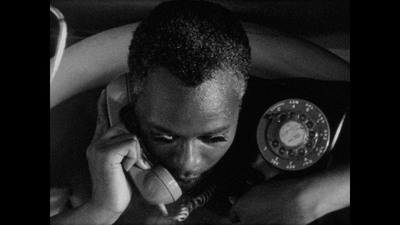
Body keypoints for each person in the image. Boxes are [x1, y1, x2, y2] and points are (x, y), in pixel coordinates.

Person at [50, 0, 350, 224]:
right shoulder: (79, 150)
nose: (188, 164)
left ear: (242, 104)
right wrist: (102, 209)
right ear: (128, 100)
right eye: (164, 136)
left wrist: (307, 198)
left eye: (214, 138)